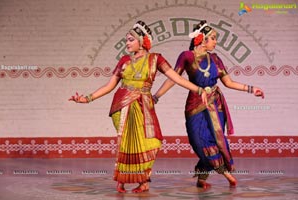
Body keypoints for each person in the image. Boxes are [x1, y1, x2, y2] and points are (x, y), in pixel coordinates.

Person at [69, 20, 209, 193]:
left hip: (144, 107)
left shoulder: (155, 59)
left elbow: (177, 78)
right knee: (126, 143)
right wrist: (86, 98)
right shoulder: (124, 61)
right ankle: (122, 180)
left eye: (130, 39)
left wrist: (199, 89)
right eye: (126, 40)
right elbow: (109, 85)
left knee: (150, 142)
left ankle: (143, 180)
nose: (126, 43)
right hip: (123, 105)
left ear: (142, 41)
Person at [153, 20, 265, 189]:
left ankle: (213, 178)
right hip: (195, 106)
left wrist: (251, 89)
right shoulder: (187, 56)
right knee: (199, 142)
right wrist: (156, 96)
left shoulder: (216, 59)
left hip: (215, 105)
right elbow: (173, 79)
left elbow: (229, 82)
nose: (216, 41)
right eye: (213, 38)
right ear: (202, 39)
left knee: (214, 141)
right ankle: (219, 174)